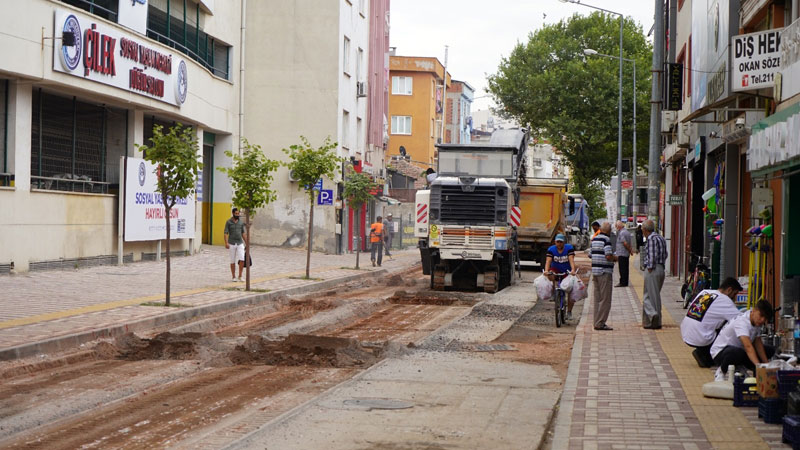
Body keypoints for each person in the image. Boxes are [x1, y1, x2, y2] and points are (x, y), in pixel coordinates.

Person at [680, 277, 744, 367]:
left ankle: (703, 352)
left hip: (686, 333)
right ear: (729, 290)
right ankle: (711, 355)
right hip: (701, 338)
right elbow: (741, 321)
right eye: (735, 294)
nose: (734, 298)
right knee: (730, 327)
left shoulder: (705, 292)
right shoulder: (725, 300)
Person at [710, 299, 775, 380]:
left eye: (765, 318)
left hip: (740, 350)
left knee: (769, 350)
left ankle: (743, 368)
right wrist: (758, 366)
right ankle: (721, 370)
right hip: (720, 353)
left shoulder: (756, 323)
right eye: (761, 315)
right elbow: (748, 347)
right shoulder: (742, 322)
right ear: (754, 310)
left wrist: (767, 365)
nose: (762, 320)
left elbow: (758, 345)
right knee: (737, 352)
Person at [544, 233, 577, 321]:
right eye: (557, 242)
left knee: (571, 292)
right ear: (555, 242)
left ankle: (569, 312)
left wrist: (573, 270)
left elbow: (571, 259)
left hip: (567, 271)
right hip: (556, 269)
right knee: (551, 275)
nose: (559, 244)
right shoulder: (551, 249)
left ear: (564, 242)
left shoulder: (569, 248)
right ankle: (554, 292)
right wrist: (546, 271)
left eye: (561, 242)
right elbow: (548, 261)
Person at [641, 220, 667, 329]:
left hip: (653, 269)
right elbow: (665, 254)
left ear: (645, 230)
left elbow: (652, 255)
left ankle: (653, 316)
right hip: (661, 268)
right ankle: (650, 321)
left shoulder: (651, 239)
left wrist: (650, 267)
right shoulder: (661, 238)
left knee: (651, 296)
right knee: (652, 295)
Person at [591, 222, 616, 330]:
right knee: (605, 299)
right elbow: (608, 256)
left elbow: (590, 254)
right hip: (604, 272)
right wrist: (616, 258)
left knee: (597, 299)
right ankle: (600, 323)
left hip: (595, 271)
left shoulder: (595, 239)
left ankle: (596, 322)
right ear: (609, 231)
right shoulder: (606, 240)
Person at [224, 208, 247, 282]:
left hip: (240, 243)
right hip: (231, 243)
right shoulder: (228, 222)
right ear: (233, 213)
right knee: (232, 260)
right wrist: (226, 243)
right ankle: (233, 276)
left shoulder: (241, 223)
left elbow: (243, 233)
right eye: (236, 213)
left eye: (238, 213)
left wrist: (247, 242)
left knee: (242, 259)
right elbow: (225, 233)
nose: (237, 215)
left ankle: (240, 275)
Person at [614, 221, 633, 287]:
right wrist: (630, 250)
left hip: (622, 253)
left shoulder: (621, 233)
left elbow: (624, 243)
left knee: (622, 269)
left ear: (618, 226)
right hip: (626, 253)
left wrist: (629, 250)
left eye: (616, 226)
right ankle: (625, 282)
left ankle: (623, 282)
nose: (616, 228)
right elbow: (629, 242)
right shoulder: (627, 232)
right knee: (626, 268)